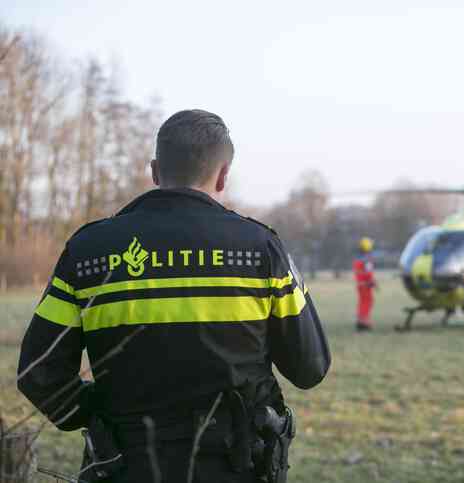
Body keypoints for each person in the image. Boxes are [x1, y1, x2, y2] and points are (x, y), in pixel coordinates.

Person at [17, 109, 331, 483]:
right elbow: (310, 368)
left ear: (154, 170)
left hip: (125, 467)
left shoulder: (87, 251)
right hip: (238, 467)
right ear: (224, 174)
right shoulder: (261, 250)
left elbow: (39, 372)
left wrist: (97, 414)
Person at [353, 237, 377, 331]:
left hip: (360, 285)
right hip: (366, 285)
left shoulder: (358, 259)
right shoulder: (367, 260)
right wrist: (372, 282)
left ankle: (360, 321)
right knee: (368, 302)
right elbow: (368, 273)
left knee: (362, 302)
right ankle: (364, 322)